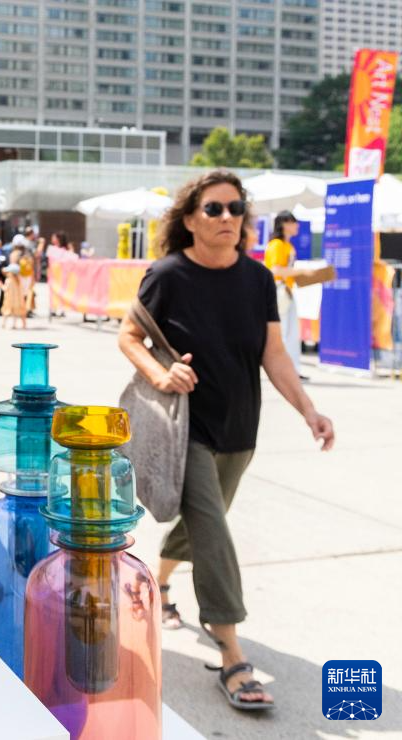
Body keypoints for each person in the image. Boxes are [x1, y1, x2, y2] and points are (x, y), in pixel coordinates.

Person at [117, 170, 334, 712]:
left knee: (201, 523)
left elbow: (273, 354)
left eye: (236, 208)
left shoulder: (257, 279)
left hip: (240, 428)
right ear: (190, 219)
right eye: (214, 208)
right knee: (213, 530)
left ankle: (158, 583)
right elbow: (129, 335)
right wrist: (161, 373)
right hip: (184, 429)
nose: (227, 217)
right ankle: (232, 654)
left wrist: (309, 410)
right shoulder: (168, 274)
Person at [264, 211, 304, 379]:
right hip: (278, 290)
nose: (296, 226)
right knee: (282, 332)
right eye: (293, 222)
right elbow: (275, 270)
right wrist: (301, 272)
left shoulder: (288, 246)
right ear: (283, 224)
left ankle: (293, 370)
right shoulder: (276, 245)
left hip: (287, 290)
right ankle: (283, 370)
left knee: (292, 333)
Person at [0, 248, 27, 329]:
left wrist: (0, 285)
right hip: (17, 299)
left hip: (9, 298)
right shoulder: (18, 281)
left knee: (7, 310)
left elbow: (5, 288)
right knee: (16, 311)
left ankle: (4, 323)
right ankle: (14, 324)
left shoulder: (9, 280)